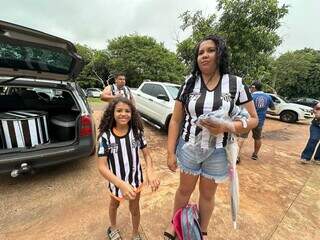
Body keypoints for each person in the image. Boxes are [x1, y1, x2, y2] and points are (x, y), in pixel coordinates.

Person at [164, 35, 258, 240]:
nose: (204, 55)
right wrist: (170, 152)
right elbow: (175, 120)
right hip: (189, 147)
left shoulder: (235, 83)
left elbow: (253, 120)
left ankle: (202, 231)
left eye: (210, 50)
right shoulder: (189, 82)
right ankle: (175, 223)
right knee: (184, 190)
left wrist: (227, 126)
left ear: (220, 54)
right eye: (200, 52)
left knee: (207, 194)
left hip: (217, 152)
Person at [97, 97, 160, 240]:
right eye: (119, 110)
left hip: (135, 181)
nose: (123, 114)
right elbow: (101, 166)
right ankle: (113, 228)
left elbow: (147, 155)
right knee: (114, 205)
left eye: (127, 111)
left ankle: (135, 233)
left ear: (132, 114)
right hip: (116, 183)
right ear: (112, 113)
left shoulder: (137, 132)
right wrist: (120, 184)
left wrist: (150, 171)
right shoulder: (106, 137)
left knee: (135, 208)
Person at [237, 81, 275, 162]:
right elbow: (273, 108)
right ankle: (255, 154)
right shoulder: (268, 97)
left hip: (248, 120)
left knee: (242, 137)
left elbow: (241, 108)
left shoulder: (249, 96)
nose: (250, 89)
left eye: (251, 87)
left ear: (254, 87)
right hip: (259, 121)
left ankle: (237, 156)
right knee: (257, 138)